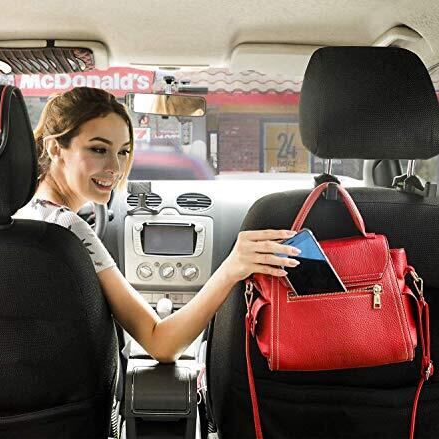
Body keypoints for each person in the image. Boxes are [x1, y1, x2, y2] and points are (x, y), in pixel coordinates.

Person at [16, 87, 301, 363]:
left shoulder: (23, 213)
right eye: (99, 149)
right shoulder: (69, 226)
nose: (115, 168)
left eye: (123, 152)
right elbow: (161, 344)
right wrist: (232, 267)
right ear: (55, 148)